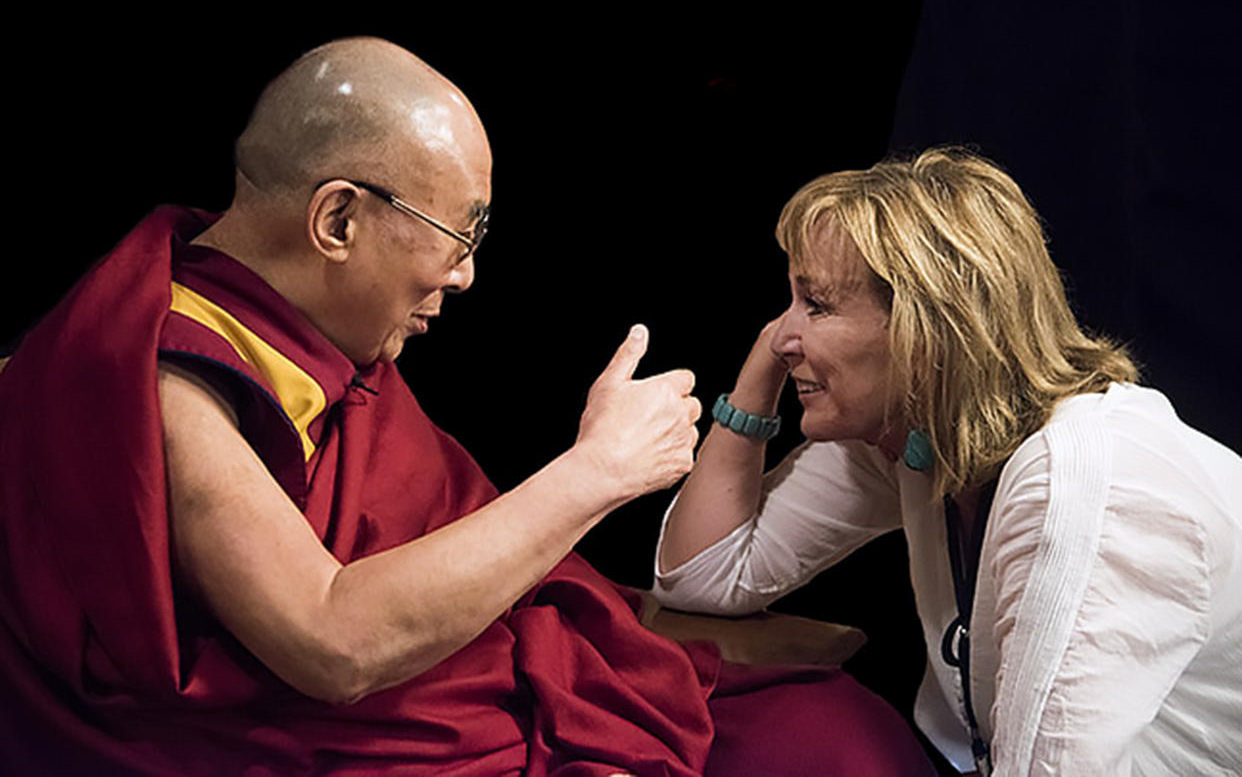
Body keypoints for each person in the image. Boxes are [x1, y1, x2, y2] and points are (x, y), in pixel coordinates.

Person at [0, 38, 933, 775]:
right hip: (326, 733)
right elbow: (333, 640)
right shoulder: (169, 377)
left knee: (833, 730)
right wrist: (593, 473)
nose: (466, 274)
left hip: (454, 681)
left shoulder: (313, 341)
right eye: (458, 234)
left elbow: (446, 552)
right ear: (336, 220)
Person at [653, 147, 1242, 775]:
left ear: (925, 327)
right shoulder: (912, 439)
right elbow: (703, 579)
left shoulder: (1084, 487)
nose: (781, 334)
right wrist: (754, 386)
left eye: (816, 304)